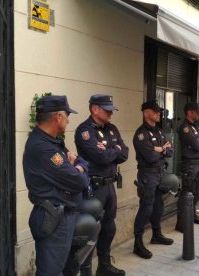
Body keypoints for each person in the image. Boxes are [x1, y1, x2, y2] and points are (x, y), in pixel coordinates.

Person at [23, 95, 90, 275]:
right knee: (51, 272)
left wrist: (78, 166)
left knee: (63, 268)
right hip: (53, 218)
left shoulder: (52, 142)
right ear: (58, 117)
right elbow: (79, 181)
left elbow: (81, 162)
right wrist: (79, 169)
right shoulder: (43, 148)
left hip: (61, 216)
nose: (68, 121)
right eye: (67, 116)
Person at [75, 94, 129, 276]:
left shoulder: (111, 128)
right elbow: (100, 157)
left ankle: (104, 266)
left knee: (109, 227)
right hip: (93, 188)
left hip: (109, 187)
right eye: (107, 110)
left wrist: (110, 151)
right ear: (95, 109)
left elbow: (125, 154)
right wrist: (115, 150)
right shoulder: (84, 131)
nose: (110, 113)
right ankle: (86, 270)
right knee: (90, 229)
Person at [132, 101, 174, 259]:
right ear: (145, 113)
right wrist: (162, 150)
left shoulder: (159, 132)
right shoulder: (141, 134)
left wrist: (161, 149)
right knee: (146, 208)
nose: (159, 114)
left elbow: (170, 151)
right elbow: (149, 157)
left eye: (159, 112)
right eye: (155, 111)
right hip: (147, 176)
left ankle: (156, 235)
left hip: (160, 173)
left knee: (158, 206)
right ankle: (138, 243)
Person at [176, 102, 199, 231]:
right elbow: (197, 145)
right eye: (198, 112)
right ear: (190, 112)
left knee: (197, 192)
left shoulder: (195, 127)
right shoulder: (185, 127)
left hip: (198, 163)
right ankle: (181, 222)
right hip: (189, 165)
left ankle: (192, 215)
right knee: (186, 194)